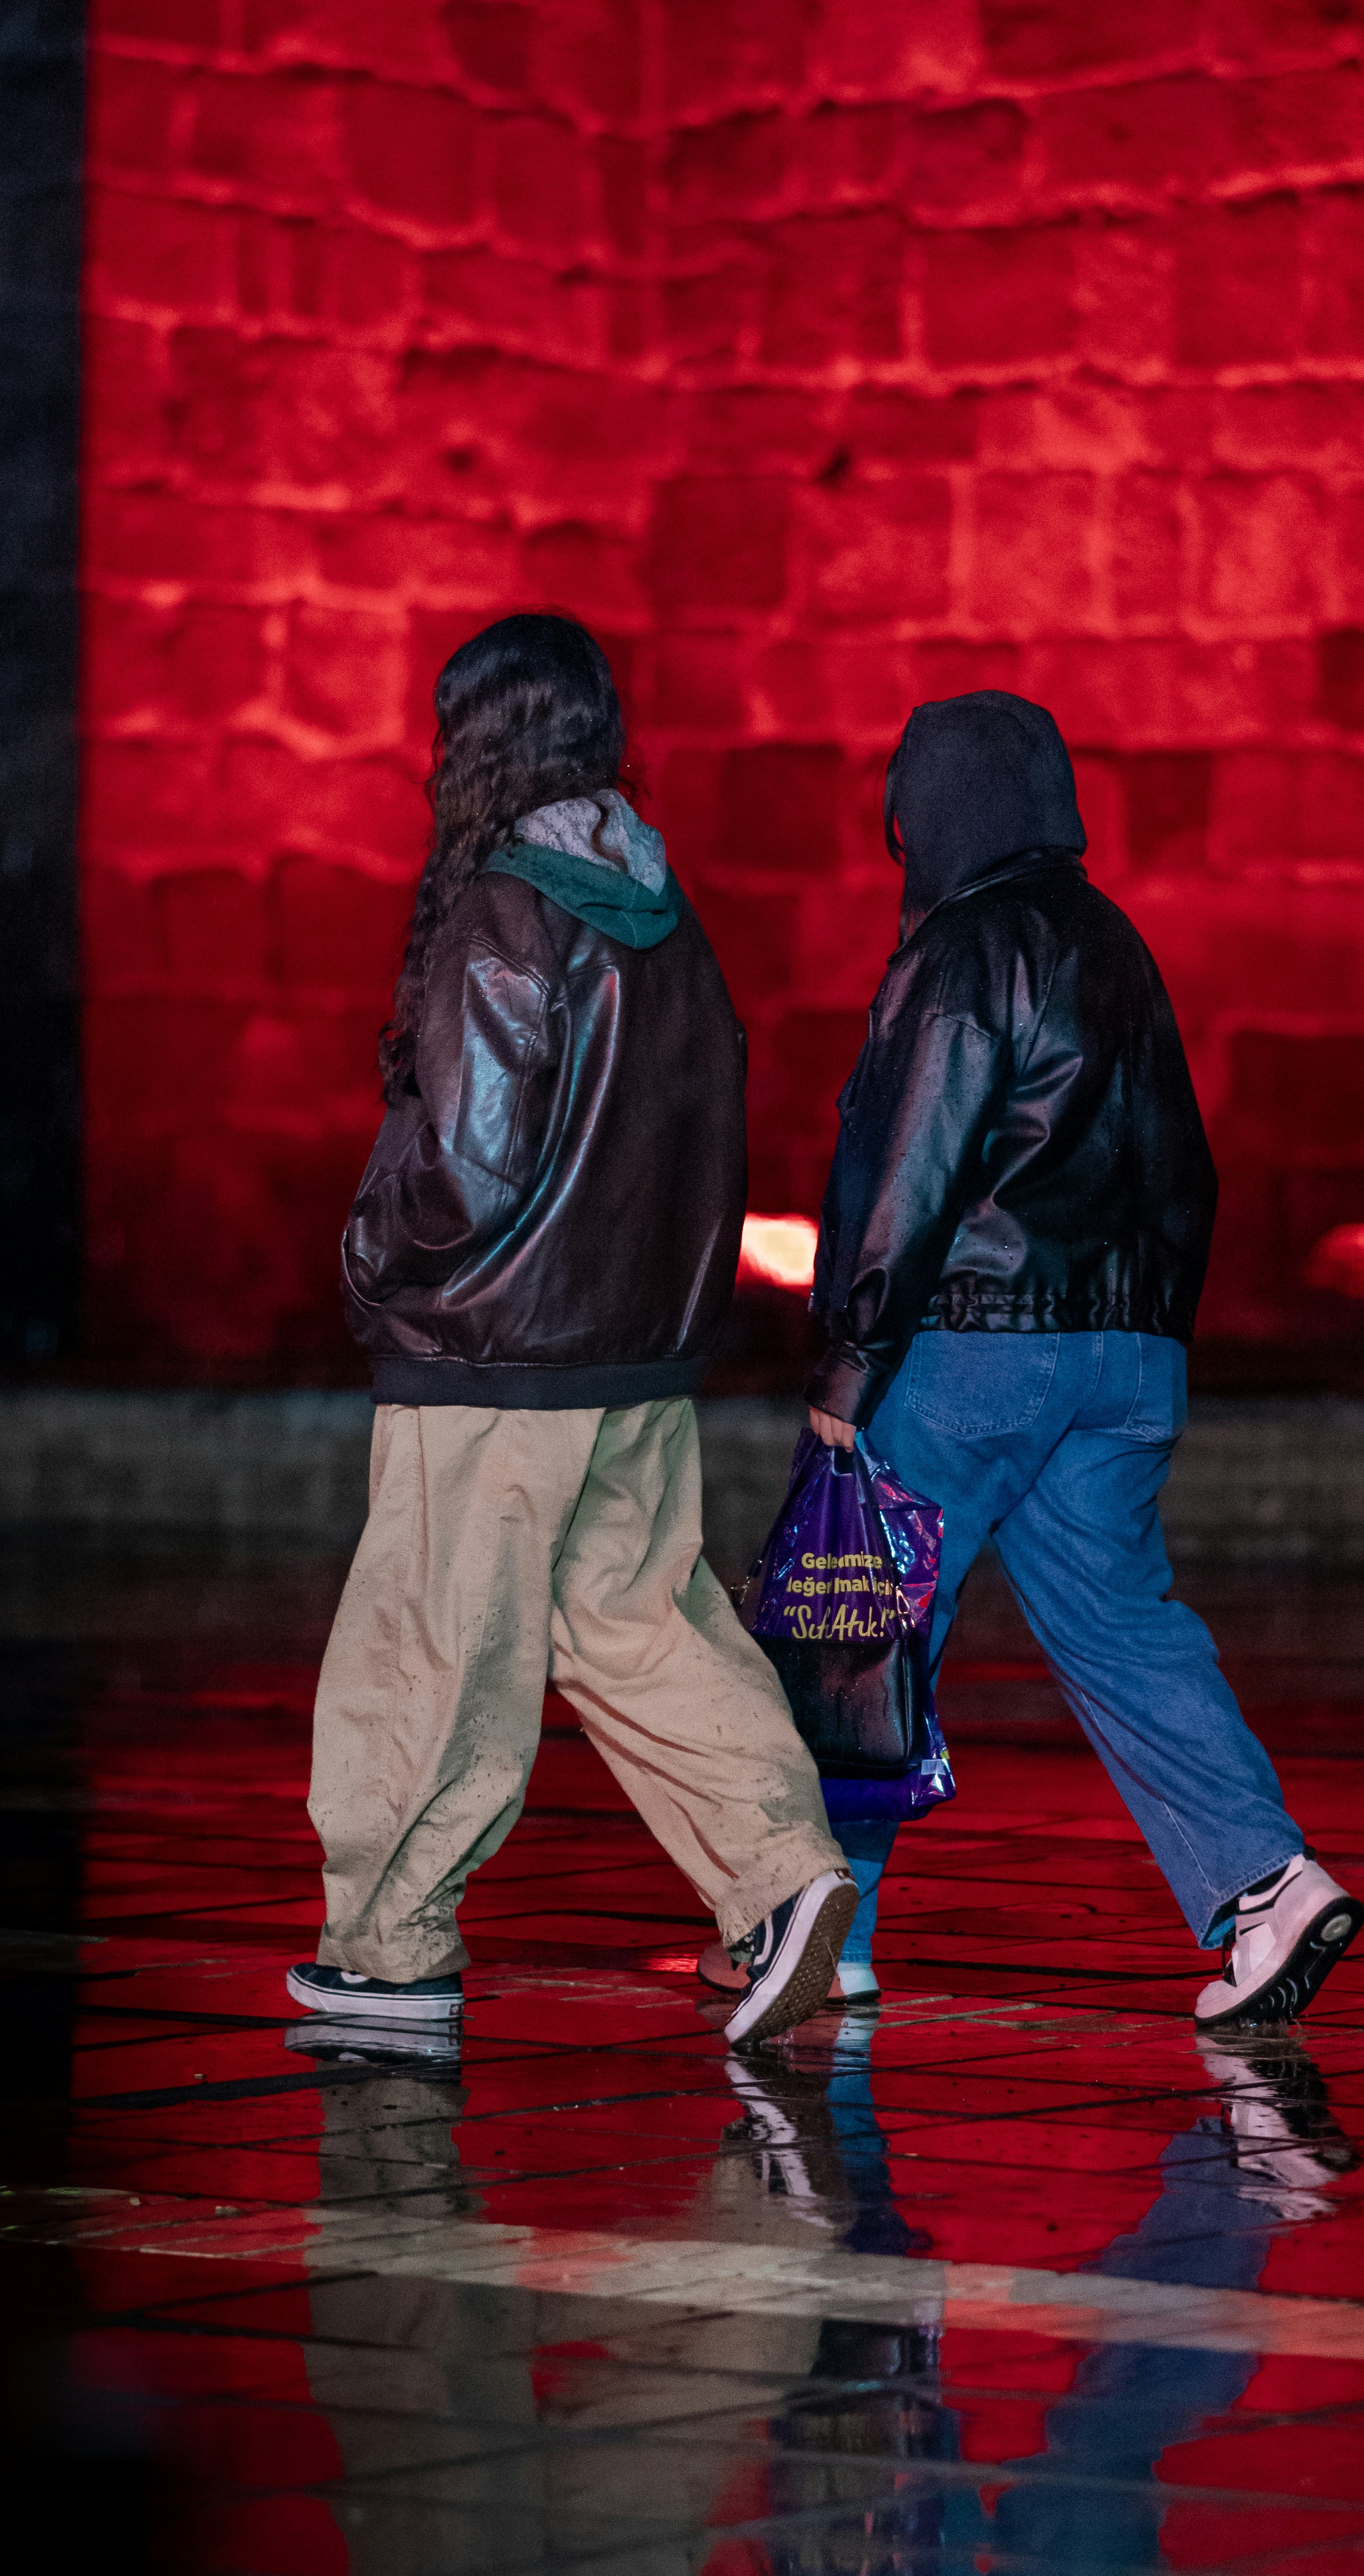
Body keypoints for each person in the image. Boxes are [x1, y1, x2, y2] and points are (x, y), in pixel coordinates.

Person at [286, 615, 855, 2051]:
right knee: (639, 1624)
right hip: (631, 1365)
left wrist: (366, 1253)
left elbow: (465, 1171)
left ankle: (391, 1947)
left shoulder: (506, 910)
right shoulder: (666, 916)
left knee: (430, 1645)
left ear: (476, 740)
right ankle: (782, 1879)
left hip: (491, 1356)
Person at [801, 690, 1363, 2029]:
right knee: (1120, 1625)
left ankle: (819, 1919)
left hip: (977, 1345)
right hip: (1125, 1358)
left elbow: (913, 1169)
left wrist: (844, 1368)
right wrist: (1146, 1331)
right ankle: (1267, 1881)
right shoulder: (1116, 946)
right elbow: (1192, 1164)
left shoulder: (959, 950)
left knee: (866, 1617)